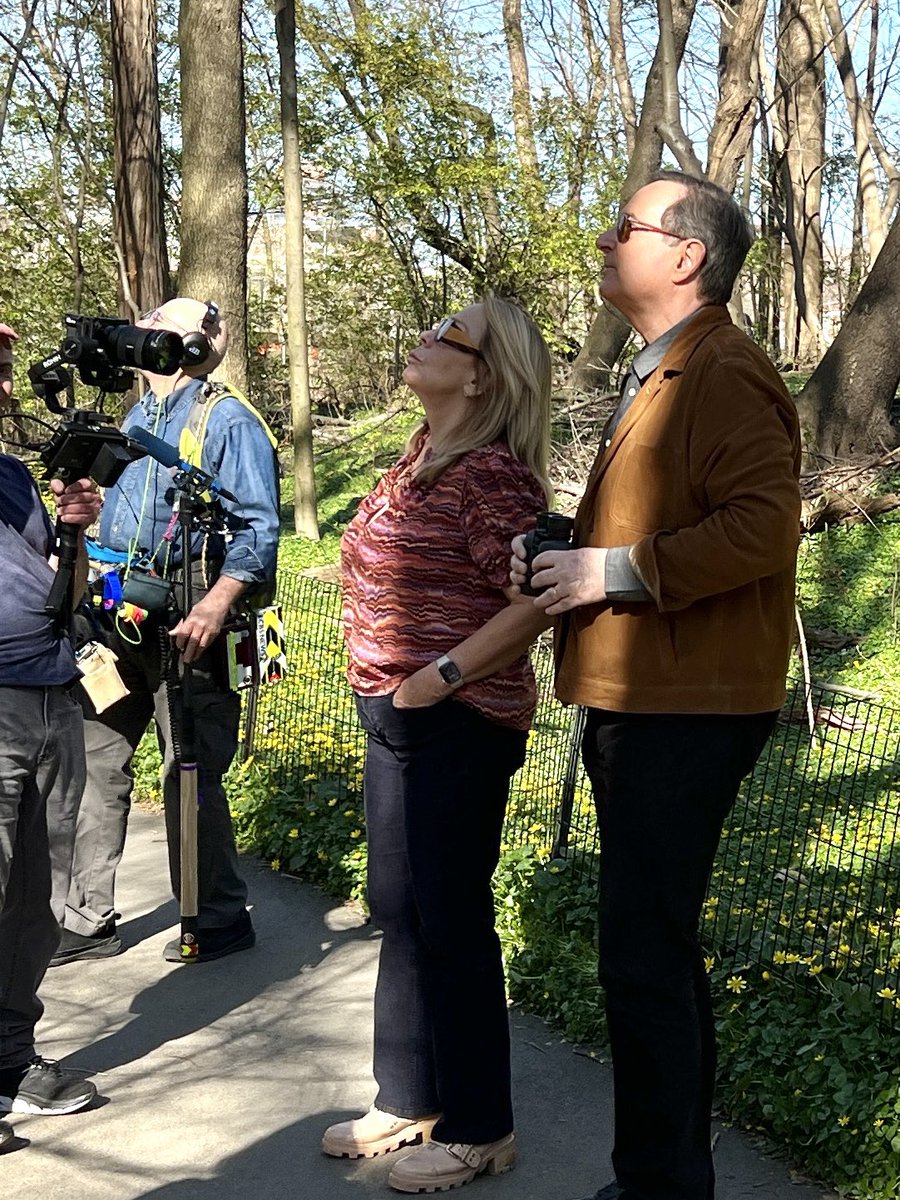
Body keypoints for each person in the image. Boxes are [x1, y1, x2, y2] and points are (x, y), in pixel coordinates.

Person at [511, 172, 802, 1200]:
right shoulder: (668, 366)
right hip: (646, 696)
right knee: (649, 954)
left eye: (622, 228)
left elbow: (765, 527)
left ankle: (661, 1189)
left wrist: (609, 571)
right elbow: (659, 517)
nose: (602, 243)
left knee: (644, 960)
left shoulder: (723, 368)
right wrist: (565, 551)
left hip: (689, 707)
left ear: (685, 255)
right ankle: (663, 1180)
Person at [323, 297, 553, 1193]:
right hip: (393, 714)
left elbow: (537, 597)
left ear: (483, 374)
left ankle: (481, 1126)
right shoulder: (419, 460)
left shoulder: (493, 478)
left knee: (449, 917)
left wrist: (439, 678)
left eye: (443, 336)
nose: (421, 340)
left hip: (456, 722)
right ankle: (408, 1096)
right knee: (399, 904)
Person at [51, 297, 280, 967]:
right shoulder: (136, 414)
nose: (139, 330)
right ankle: (86, 919)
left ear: (192, 343)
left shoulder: (227, 419)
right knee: (96, 760)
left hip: (191, 618)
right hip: (117, 612)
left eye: (156, 324)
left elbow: (260, 530)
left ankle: (216, 915)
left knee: (190, 769)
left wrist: (215, 605)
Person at [0, 318, 100, 1118]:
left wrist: (74, 535)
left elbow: (65, 598)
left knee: (30, 899)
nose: (3, 386)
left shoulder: (11, 473)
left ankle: (10, 1059)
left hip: (50, 695)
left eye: (4, 369)